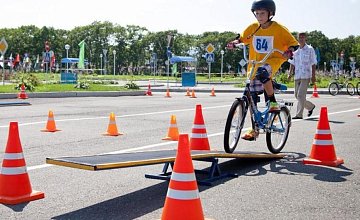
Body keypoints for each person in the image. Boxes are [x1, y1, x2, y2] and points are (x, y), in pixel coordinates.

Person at [227, 0, 299, 141]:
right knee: (251, 98)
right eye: (257, 13)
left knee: (263, 73)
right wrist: (234, 43)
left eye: (262, 13)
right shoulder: (253, 27)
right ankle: (254, 130)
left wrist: (289, 52)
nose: (259, 16)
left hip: (272, 61)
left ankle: (272, 102)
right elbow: (242, 39)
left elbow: (293, 44)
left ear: (270, 14)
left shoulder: (279, 29)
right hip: (254, 63)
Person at [288, 32, 316, 119]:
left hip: (306, 75)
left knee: (300, 95)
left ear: (306, 38)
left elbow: (313, 63)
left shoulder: (310, 49)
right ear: (297, 38)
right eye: (300, 37)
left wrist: (313, 76)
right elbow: (292, 63)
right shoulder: (296, 52)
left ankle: (299, 114)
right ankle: (310, 106)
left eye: (303, 37)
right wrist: (290, 73)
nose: (301, 39)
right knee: (297, 95)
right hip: (297, 75)